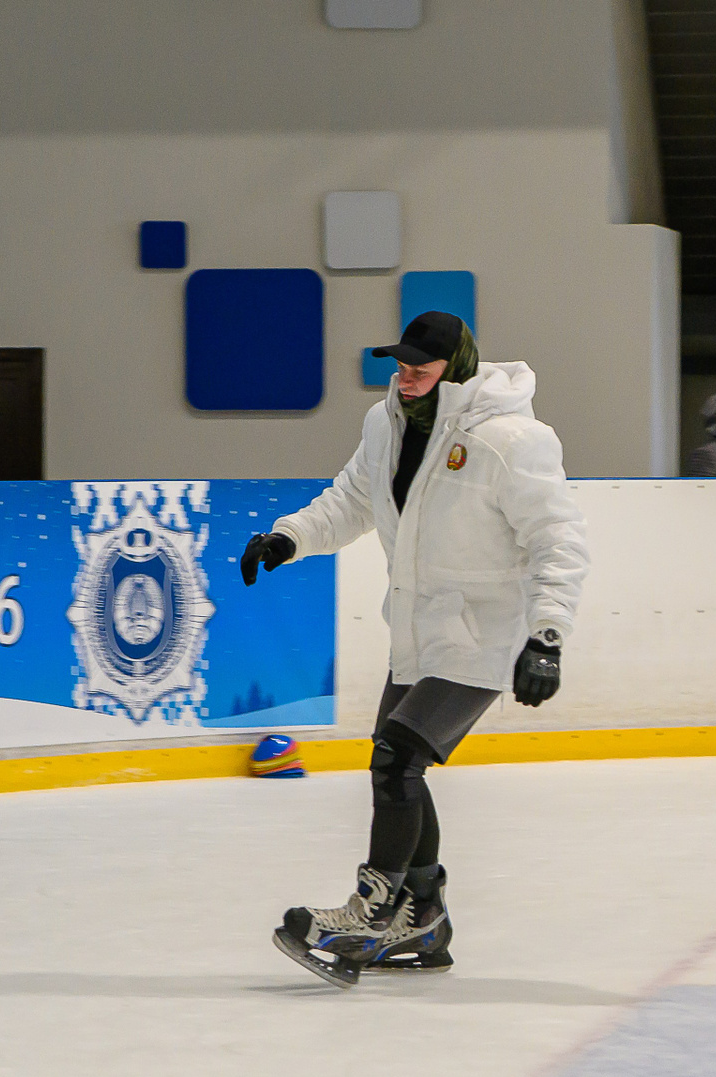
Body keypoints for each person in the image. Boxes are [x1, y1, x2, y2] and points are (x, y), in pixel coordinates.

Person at [239, 310, 588, 988]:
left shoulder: (512, 440)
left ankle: (369, 914)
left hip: (486, 636)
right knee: (396, 766)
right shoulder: (386, 424)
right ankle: (423, 917)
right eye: (399, 366)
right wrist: (289, 538)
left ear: (454, 369)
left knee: (397, 760)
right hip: (417, 631)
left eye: (418, 368)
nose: (404, 378)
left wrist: (547, 635)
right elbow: (351, 500)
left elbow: (558, 539)